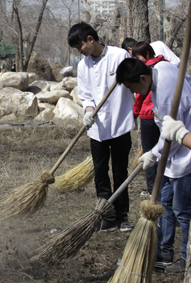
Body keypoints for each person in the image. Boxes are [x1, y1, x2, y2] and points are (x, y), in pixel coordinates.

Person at [116, 58, 191, 273]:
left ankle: (187, 259)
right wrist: (157, 153)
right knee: (165, 205)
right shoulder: (159, 70)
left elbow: (174, 133)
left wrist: (155, 152)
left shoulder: (169, 90)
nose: (135, 93)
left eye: (133, 88)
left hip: (185, 156)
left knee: (182, 211)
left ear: (143, 78)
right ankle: (165, 251)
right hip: (170, 156)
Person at [68, 22, 134, 233]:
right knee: (100, 171)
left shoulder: (119, 56)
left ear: (90, 39)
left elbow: (131, 81)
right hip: (97, 128)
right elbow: (86, 94)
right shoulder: (83, 66)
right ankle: (106, 215)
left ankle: (122, 216)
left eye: (80, 46)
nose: (80, 51)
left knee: (120, 171)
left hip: (120, 123)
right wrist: (88, 111)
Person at [128, 41, 168, 197]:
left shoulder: (145, 73)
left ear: (145, 55)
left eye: (138, 58)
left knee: (150, 153)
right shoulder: (165, 65)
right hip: (163, 117)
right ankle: (164, 187)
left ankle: (153, 190)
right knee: (163, 152)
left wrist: (133, 115)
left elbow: (139, 98)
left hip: (148, 116)